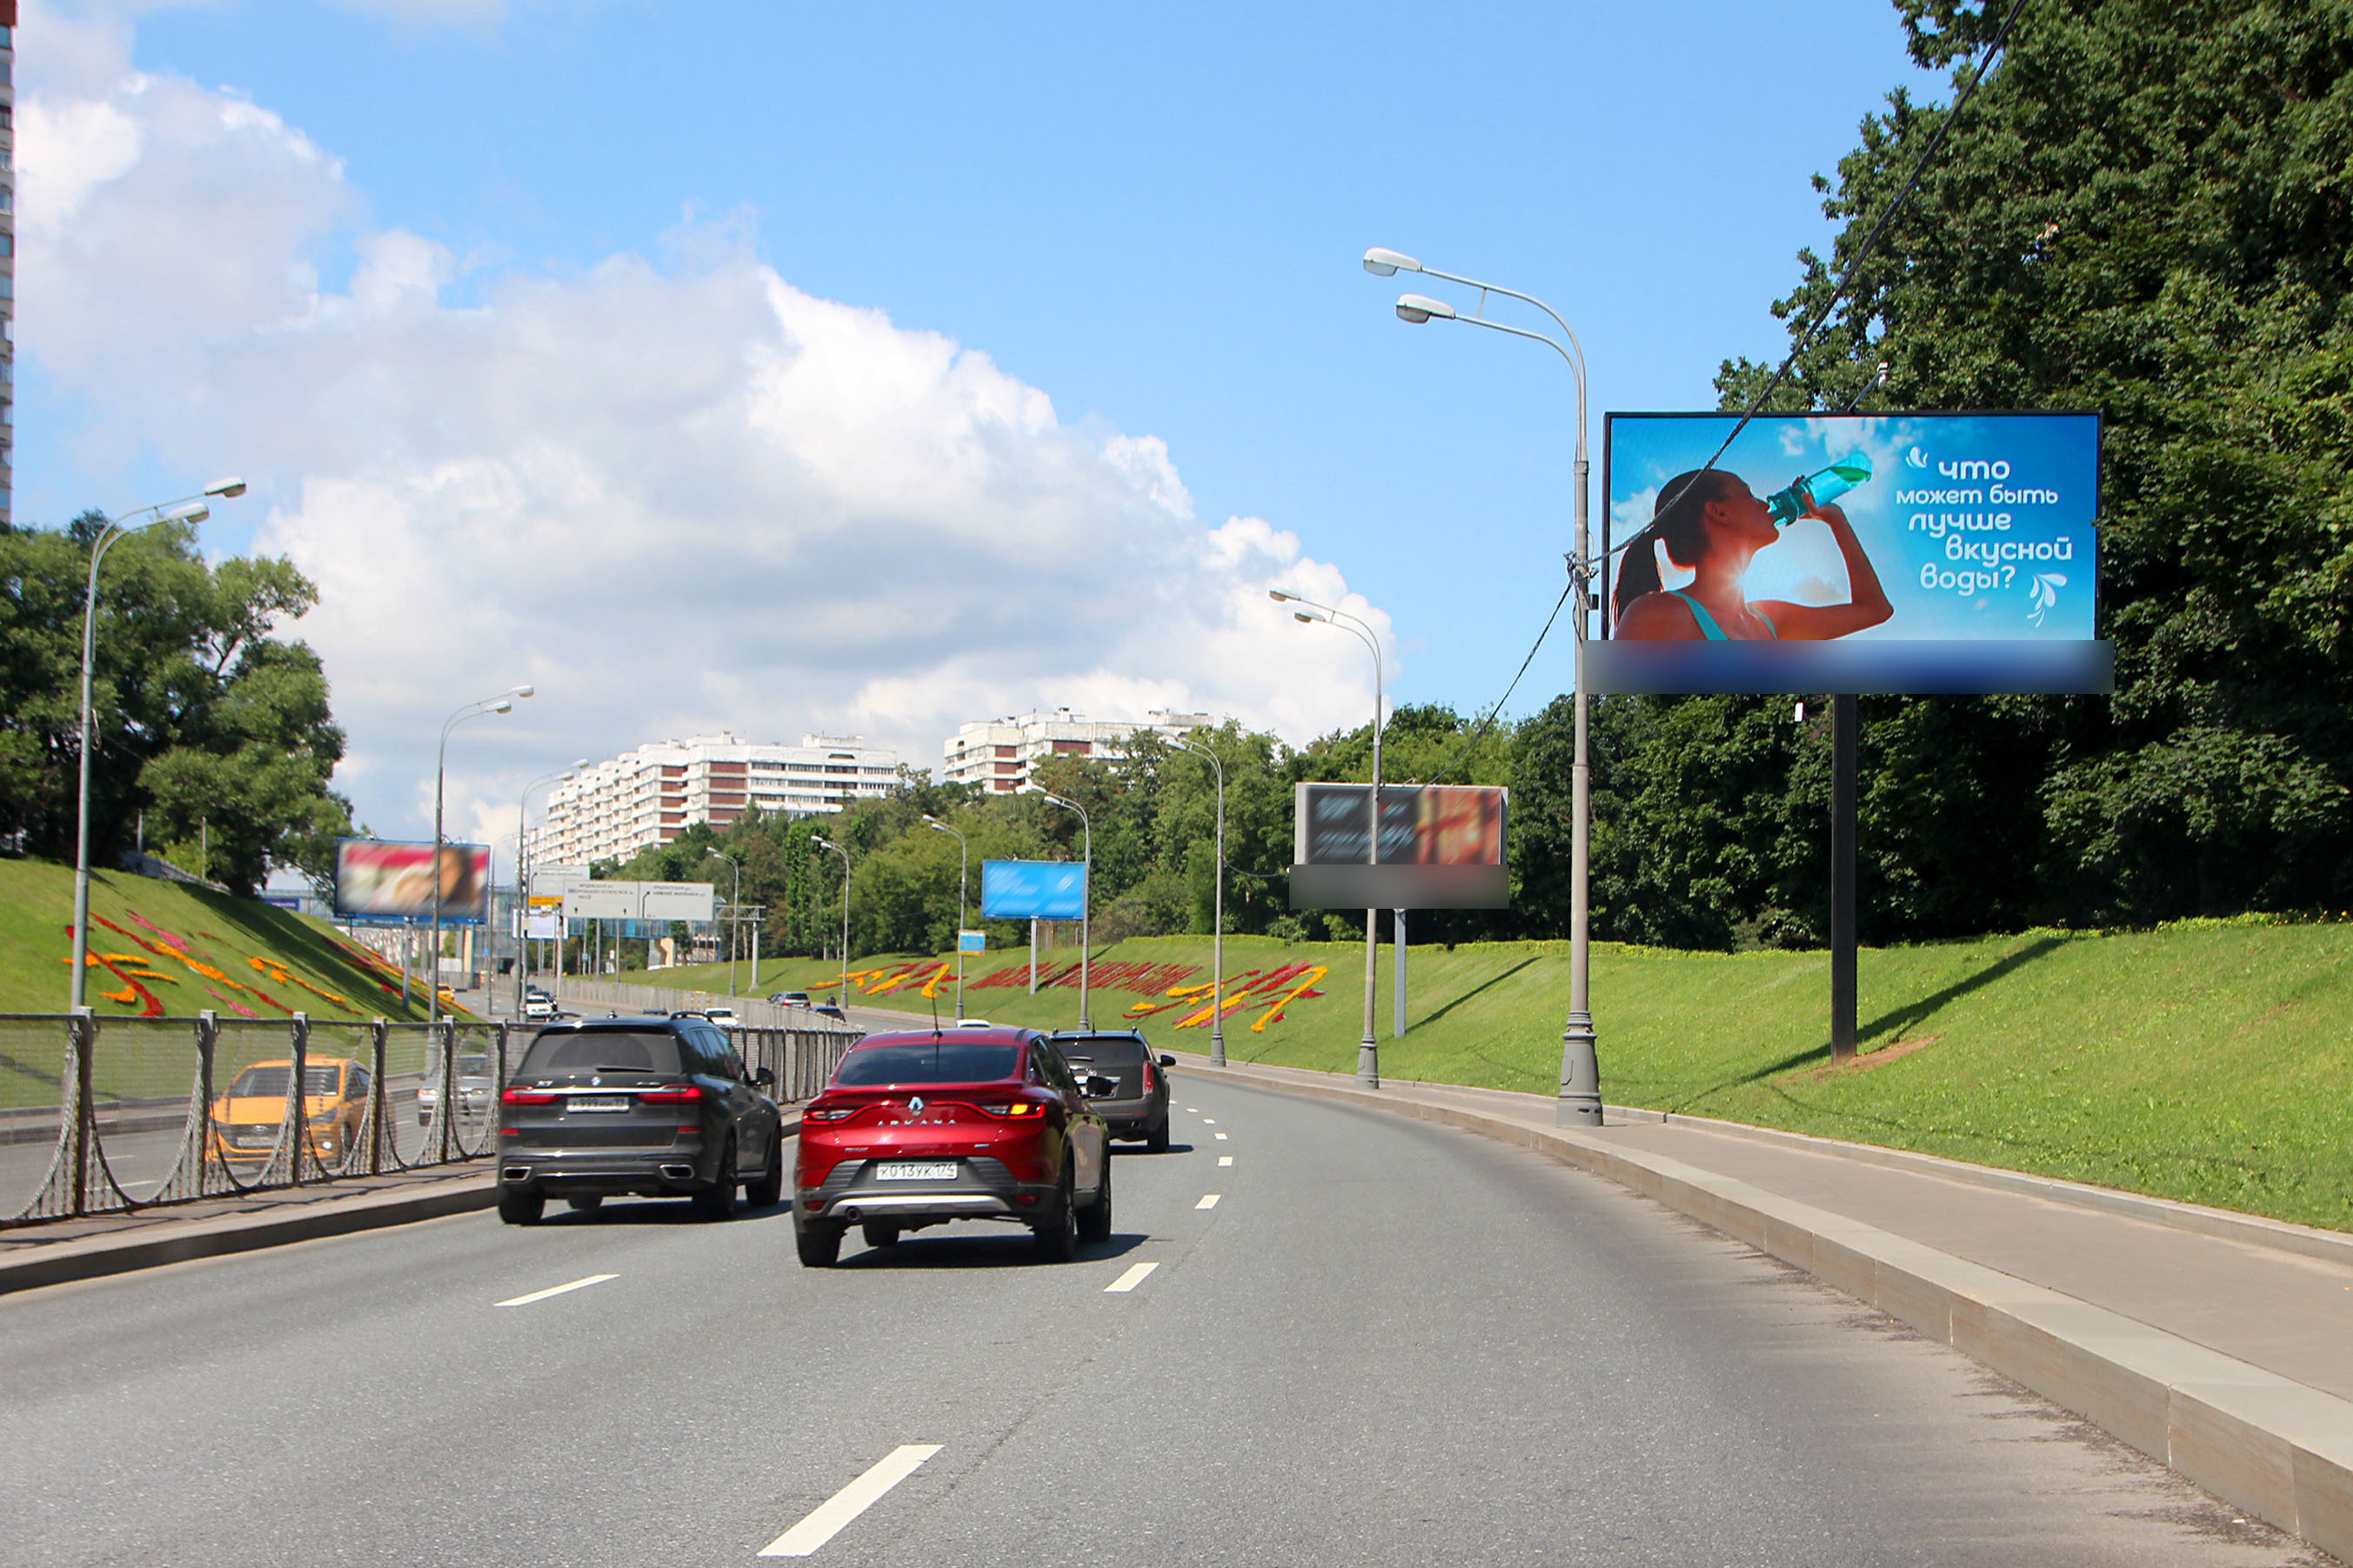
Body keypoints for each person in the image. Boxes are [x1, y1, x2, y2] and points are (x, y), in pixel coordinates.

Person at [1613, 467, 1892, 641]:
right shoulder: (1656, 614)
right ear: (1718, 511)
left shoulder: (1770, 618)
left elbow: (1875, 610)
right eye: (1748, 494)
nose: (1763, 503)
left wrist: (1836, 520)